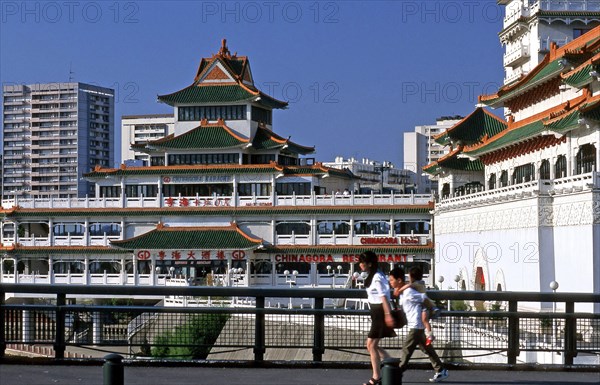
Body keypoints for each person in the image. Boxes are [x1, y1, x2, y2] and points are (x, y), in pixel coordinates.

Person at [399, 266, 448, 383]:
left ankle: (396, 373)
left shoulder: (412, 289)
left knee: (406, 350)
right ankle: (440, 369)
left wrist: (431, 307)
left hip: (415, 326)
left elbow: (423, 298)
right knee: (427, 349)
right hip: (418, 325)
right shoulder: (416, 286)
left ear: (410, 277)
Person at [358, 251, 396, 385]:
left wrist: (387, 315)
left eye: (362, 262)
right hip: (376, 312)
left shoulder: (377, 277)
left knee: (371, 345)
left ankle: (376, 377)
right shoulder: (373, 275)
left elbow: (384, 297)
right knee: (370, 345)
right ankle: (390, 365)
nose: (360, 264)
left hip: (380, 312)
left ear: (369, 263)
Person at [389, 267, 438, 346]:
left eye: (409, 277)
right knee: (424, 342)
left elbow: (409, 286)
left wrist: (399, 290)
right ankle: (429, 336)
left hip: (421, 311)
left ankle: (430, 335)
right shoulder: (417, 284)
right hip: (419, 313)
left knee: (424, 320)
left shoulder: (414, 286)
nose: (408, 278)